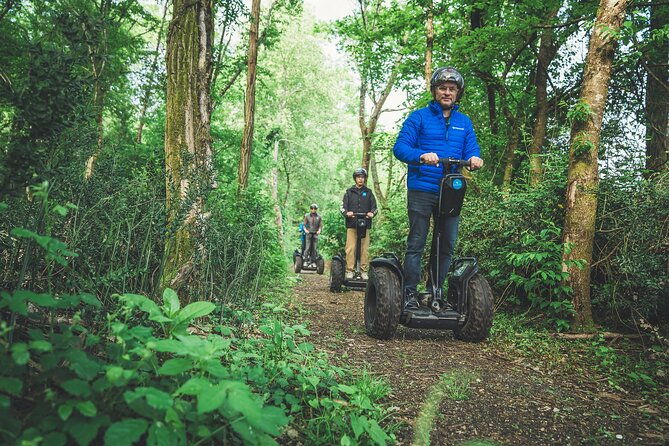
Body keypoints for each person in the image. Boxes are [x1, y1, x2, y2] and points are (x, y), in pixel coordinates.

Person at [393, 66, 484, 310]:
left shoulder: (464, 123)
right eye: (442, 88)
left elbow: (472, 149)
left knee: (446, 244)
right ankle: (409, 294)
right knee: (417, 242)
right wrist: (422, 156)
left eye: (451, 89)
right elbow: (400, 148)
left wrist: (475, 158)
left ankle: (435, 291)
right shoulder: (418, 117)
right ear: (435, 91)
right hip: (422, 187)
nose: (447, 93)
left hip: (450, 191)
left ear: (457, 94)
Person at [341, 167, 378, 280]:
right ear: (355, 178)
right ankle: (350, 271)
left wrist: (372, 213)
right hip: (352, 224)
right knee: (350, 248)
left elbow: (375, 208)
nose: (360, 179)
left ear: (364, 179)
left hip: (365, 224)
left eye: (362, 177)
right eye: (358, 177)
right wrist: (347, 213)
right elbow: (342, 207)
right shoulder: (349, 192)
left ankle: (363, 271)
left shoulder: (369, 192)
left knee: (364, 249)